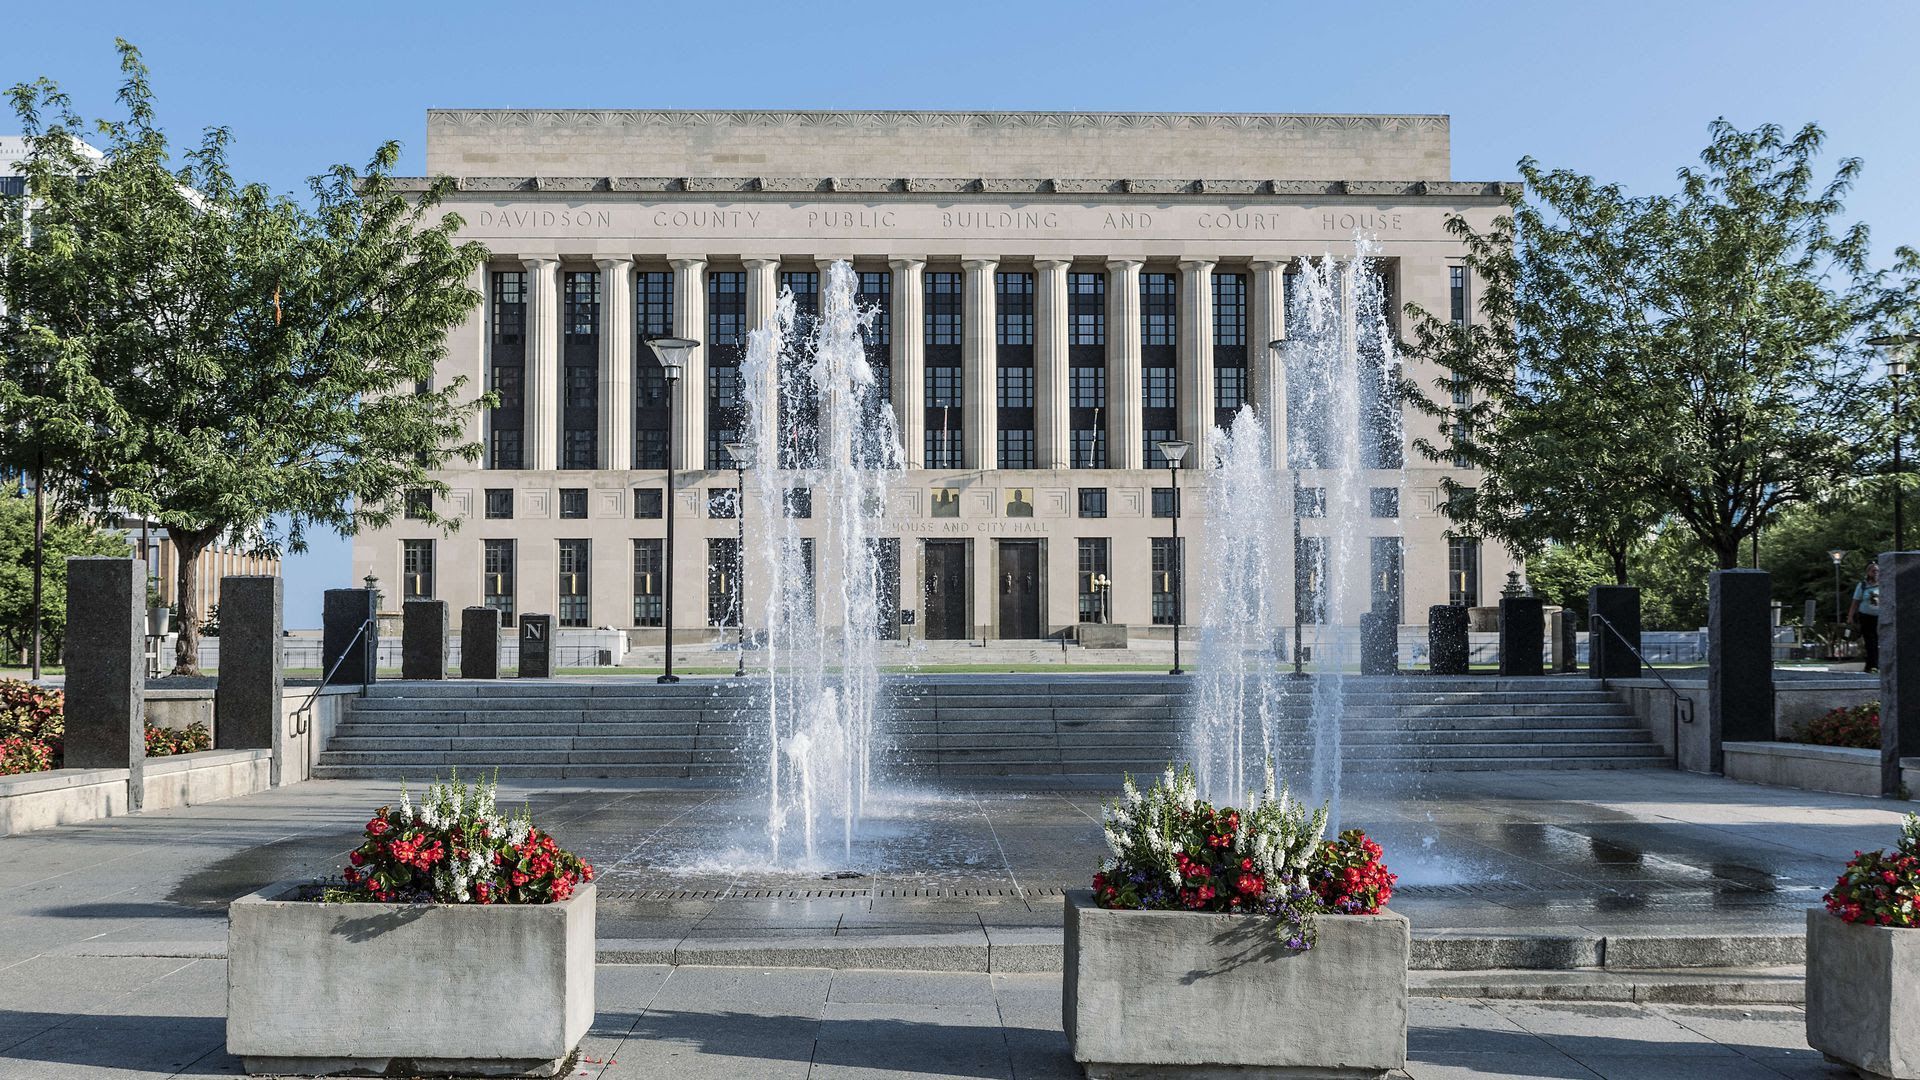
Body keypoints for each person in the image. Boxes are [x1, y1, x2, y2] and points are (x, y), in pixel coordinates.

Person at [1849, 562, 1882, 673]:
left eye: (1877, 570)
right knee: (1870, 641)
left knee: (1877, 641)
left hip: (1880, 617)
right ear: (1868, 572)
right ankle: (1873, 665)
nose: (1876, 573)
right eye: (1873, 571)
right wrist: (1850, 616)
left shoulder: (1884, 585)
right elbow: (1855, 602)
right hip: (1866, 617)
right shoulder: (1863, 585)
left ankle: (1871, 665)